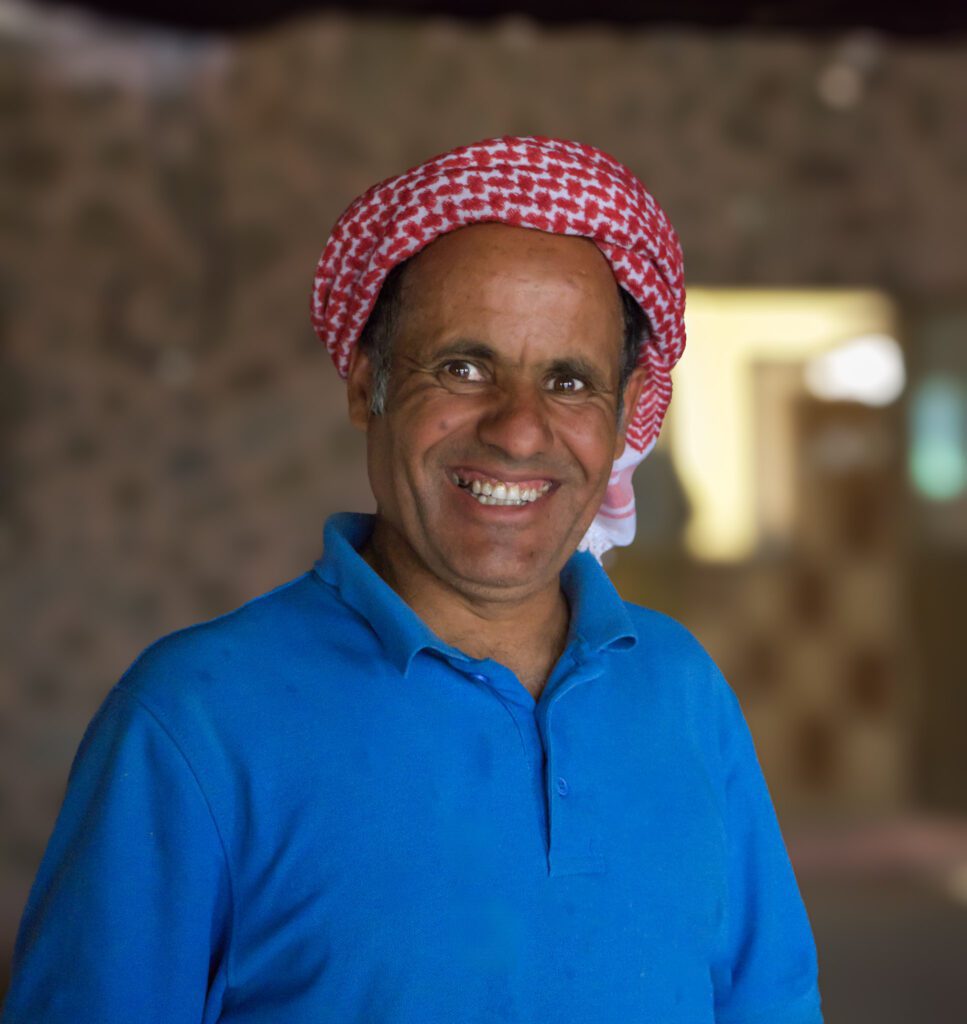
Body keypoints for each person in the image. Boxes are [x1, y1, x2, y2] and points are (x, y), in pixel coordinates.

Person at [2, 136, 823, 1023]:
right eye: (463, 368)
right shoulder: (194, 718)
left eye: (569, 381)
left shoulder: (682, 691)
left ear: (620, 419)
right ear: (368, 386)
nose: (518, 430)